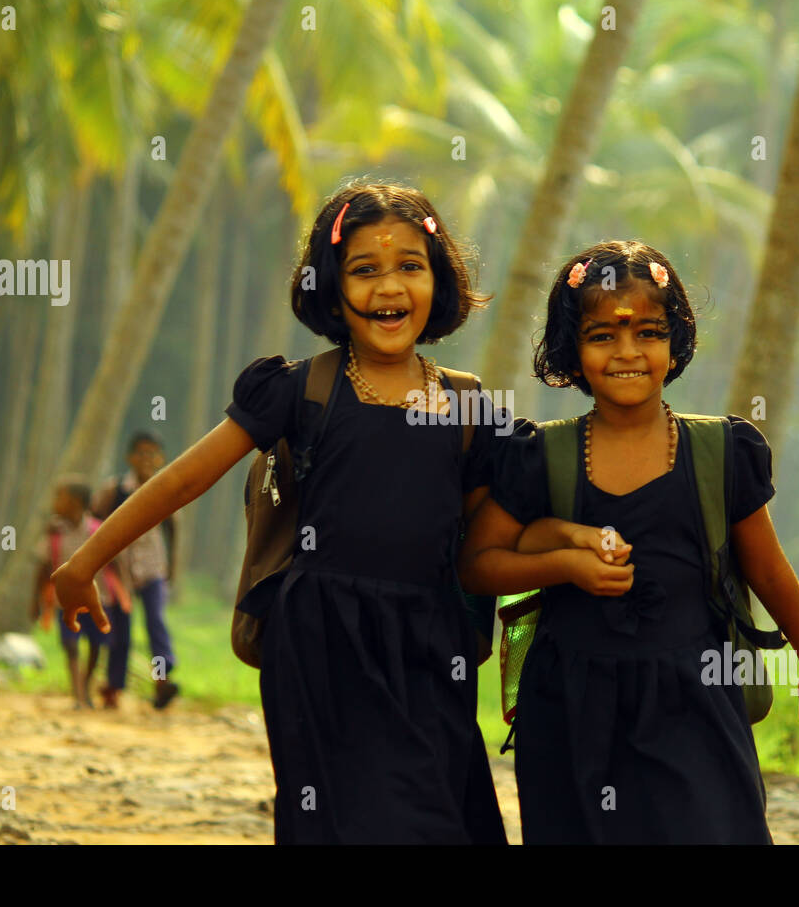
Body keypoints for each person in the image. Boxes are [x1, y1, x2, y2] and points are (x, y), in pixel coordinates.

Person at [52, 181, 507, 844]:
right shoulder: (300, 391)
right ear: (329, 286)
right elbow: (184, 479)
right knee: (326, 820)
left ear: (439, 280)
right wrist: (83, 562)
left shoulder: (469, 408)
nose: (389, 288)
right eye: (364, 270)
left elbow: (485, 543)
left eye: (410, 265)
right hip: (318, 640)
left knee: (437, 813)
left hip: (430, 646)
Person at [459, 240, 799, 843]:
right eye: (603, 335)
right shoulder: (538, 457)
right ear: (571, 349)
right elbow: (478, 565)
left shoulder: (719, 453)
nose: (627, 352)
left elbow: (767, 568)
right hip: (570, 705)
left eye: (648, 332)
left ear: (675, 340)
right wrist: (565, 566)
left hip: (697, 698)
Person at [92, 432, 178, 710]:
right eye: (140, 453)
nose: (146, 459)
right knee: (121, 630)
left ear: (160, 458)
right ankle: (114, 687)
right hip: (119, 571)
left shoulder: (165, 486)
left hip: (153, 568)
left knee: (156, 622)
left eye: (152, 453)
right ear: (129, 457)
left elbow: (173, 528)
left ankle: (162, 681)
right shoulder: (115, 489)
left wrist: (172, 568)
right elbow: (94, 521)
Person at [32, 477, 127, 709]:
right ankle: (78, 695)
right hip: (65, 601)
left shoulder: (97, 529)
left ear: (76, 502)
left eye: (60, 498)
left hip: (100, 598)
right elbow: (43, 566)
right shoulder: (54, 532)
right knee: (70, 644)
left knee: (97, 644)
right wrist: (36, 600)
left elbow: (116, 560)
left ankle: (85, 686)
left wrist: (124, 594)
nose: (55, 503)